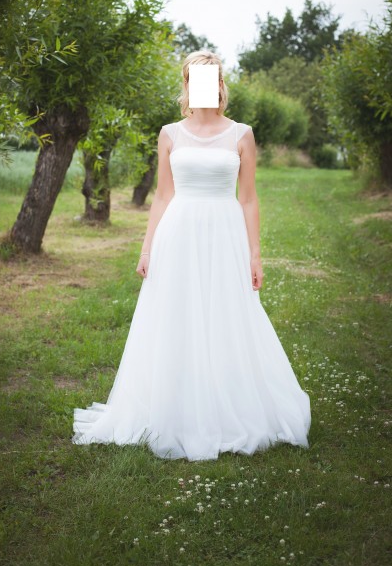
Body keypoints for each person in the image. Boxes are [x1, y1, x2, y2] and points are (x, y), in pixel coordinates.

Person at [72, 49, 311, 461]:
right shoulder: (170, 134)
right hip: (178, 234)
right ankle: (176, 405)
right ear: (186, 84)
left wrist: (255, 255)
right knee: (177, 317)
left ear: (219, 83)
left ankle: (226, 404)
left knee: (226, 315)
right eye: (195, 78)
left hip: (224, 234)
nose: (204, 85)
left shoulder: (241, 134)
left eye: (211, 77)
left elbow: (248, 198)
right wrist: (147, 247)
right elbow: (163, 195)